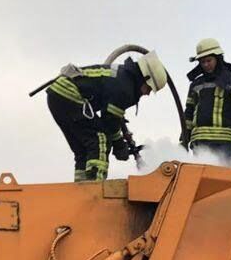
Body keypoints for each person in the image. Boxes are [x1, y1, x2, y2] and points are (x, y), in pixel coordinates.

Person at [46, 51, 168, 182]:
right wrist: (119, 145)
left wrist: (118, 141)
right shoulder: (124, 87)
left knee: (84, 149)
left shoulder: (122, 78)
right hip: (69, 93)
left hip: (57, 94)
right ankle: (95, 191)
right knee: (100, 140)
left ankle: (80, 191)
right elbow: (110, 121)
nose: (148, 94)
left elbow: (111, 118)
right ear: (145, 77)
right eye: (149, 89)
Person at [182, 38, 231, 167]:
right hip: (199, 143)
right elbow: (188, 114)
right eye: (203, 62)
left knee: (225, 182)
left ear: (218, 58)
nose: (206, 65)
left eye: (209, 60)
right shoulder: (196, 84)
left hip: (223, 142)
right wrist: (184, 140)